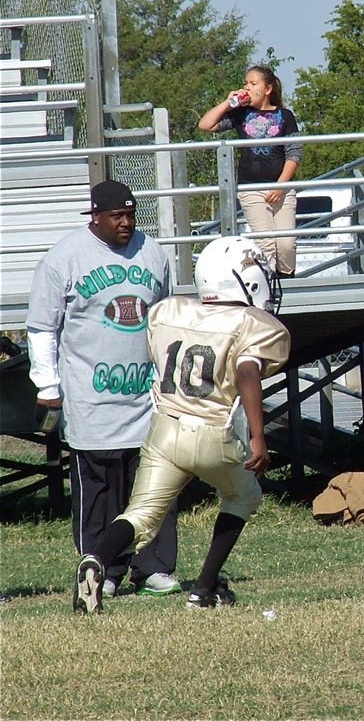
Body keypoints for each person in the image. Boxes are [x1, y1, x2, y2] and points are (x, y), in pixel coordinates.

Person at [73, 236, 290, 614]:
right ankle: (203, 589)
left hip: (165, 429)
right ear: (243, 279)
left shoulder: (168, 312)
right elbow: (247, 372)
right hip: (212, 432)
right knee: (244, 496)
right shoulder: (251, 324)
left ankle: (96, 561)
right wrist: (258, 435)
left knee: (140, 515)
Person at [27, 180, 181, 602]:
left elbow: (167, 316)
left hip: (146, 397)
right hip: (91, 398)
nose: (126, 223)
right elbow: (42, 327)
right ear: (95, 215)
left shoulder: (153, 252)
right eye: (117, 216)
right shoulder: (64, 259)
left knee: (154, 485)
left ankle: (153, 568)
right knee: (99, 492)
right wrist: (47, 385)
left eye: (131, 215)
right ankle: (102, 568)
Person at [198, 65, 303, 278]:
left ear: (268, 89)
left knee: (286, 244)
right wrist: (228, 103)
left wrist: (281, 186)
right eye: (246, 83)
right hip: (251, 188)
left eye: (253, 83)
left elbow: (294, 153)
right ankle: (270, 286)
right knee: (265, 243)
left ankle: (287, 282)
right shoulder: (240, 114)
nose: (247, 87)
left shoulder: (285, 115)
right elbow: (206, 125)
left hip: (281, 188)